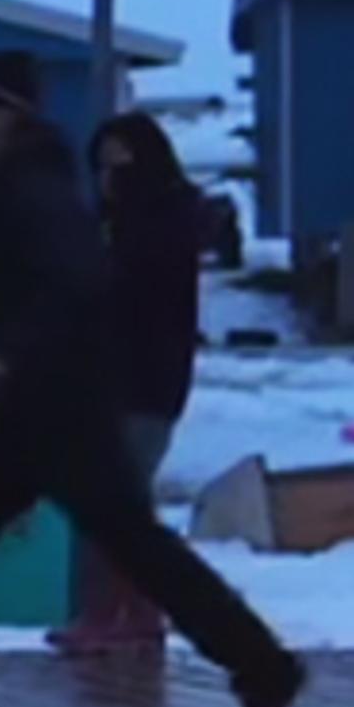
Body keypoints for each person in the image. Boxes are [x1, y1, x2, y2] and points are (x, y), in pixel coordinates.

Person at [0, 54, 307, 707]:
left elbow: (77, 289)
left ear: (4, 113)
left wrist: (6, 357)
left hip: (62, 405)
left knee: (127, 545)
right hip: (23, 411)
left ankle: (265, 668)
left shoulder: (36, 191)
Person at [56, 111, 209, 653]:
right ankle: (139, 612)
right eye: (101, 167)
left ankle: (105, 613)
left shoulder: (161, 220)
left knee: (112, 500)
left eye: (119, 165)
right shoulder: (117, 224)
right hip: (114, 376)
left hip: (147, 377)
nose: (108, 179)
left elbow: (132, 287)